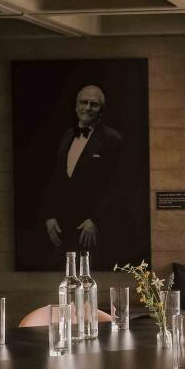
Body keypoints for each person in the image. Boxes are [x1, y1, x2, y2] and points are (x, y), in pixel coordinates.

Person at [40, 84, 121, 253]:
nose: (88, 108)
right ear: (76, 106)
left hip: (90, 230)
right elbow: (57, 178)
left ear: (102, 109)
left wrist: (95, 220)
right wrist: (50, 215)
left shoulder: (113, 139)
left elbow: (116, 186)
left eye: (94, 104)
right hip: (61, 227)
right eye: (83, 102)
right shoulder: (67, 135)